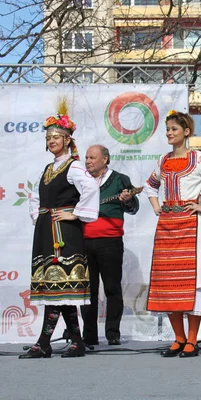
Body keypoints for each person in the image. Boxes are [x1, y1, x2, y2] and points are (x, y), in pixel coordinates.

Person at [20, 101, 99, 359]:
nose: (51, 141)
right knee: (58, 289)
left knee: (58, 287)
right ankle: (76, 341)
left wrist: (76, 213)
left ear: (67, 140)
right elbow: (36, 195)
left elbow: (91, 188)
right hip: (47, 229)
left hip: (63, 234)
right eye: (48, 137)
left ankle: (44, 342)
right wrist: (38, 216)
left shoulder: (74, 166)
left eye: (56, 137)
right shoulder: (48, 168)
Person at [144, 110, 201, 358]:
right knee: (168, 284)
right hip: (167, 225)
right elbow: (150, 185)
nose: (169, 133)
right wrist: (156, 205)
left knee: (193, 282)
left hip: (189, 225)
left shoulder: (198, 158)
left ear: (186, 132)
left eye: (174, 129)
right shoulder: (164, 160)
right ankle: (178, 338)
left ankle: (193, 340)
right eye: (167, 129)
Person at [80, 145, 139, 346]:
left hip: (110, 241)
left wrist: (128, 200)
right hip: (84, 241)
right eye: (86, 157)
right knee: (88, 290)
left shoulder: (120, 179)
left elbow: (134, 207)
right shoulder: (80, 180)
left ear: (105, 159)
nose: (87, 161)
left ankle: (113, 332)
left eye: (92, 157)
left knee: (112, 288)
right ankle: (89, 335)